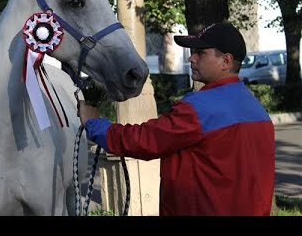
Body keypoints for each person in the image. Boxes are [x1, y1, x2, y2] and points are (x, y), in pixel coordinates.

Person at [78, 22, 275, 216]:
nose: (192, 58)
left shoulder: (198, 109)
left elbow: (144, 140)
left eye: (201, 53)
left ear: (226, 61)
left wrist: (94, 124)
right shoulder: (257, 109)